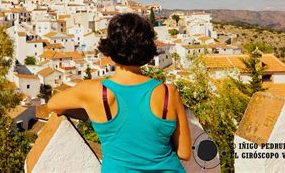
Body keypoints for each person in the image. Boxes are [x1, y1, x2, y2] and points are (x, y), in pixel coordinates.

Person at [47, 12, 191, 172]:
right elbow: (184, 153)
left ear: (110, 48)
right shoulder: (168, 93)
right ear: (147, 48)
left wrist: (90, 112)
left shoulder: (92, 91)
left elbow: (53, 104)